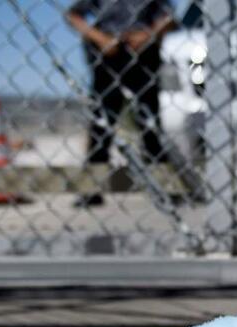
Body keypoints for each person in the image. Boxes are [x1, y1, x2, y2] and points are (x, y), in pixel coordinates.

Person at [66, 0, 176, 208]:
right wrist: (100, 38)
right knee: (101, 123)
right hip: (108, 53)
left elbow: (169, 18)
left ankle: (162, 186)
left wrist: (148, 35)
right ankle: (92, 188)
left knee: (150, 121)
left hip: (143, 53)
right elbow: (73, 15)